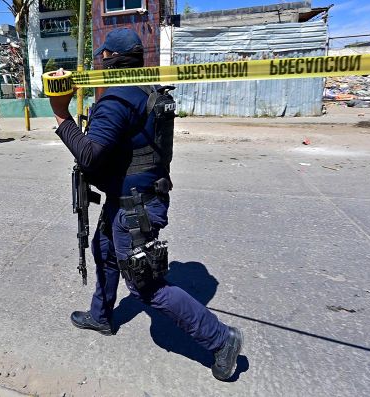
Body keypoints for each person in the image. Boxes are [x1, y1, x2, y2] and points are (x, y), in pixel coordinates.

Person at [48, 28, 244, 381]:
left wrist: (62, 114)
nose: (99, 64)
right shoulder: (147, 88)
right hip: (136, 197)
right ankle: (102, 316)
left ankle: (220, 340)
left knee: (145, 286)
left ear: (109, 59)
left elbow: (90, 155)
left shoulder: (117, 99)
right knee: (104, 250)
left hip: (134, 207)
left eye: (101, 58)